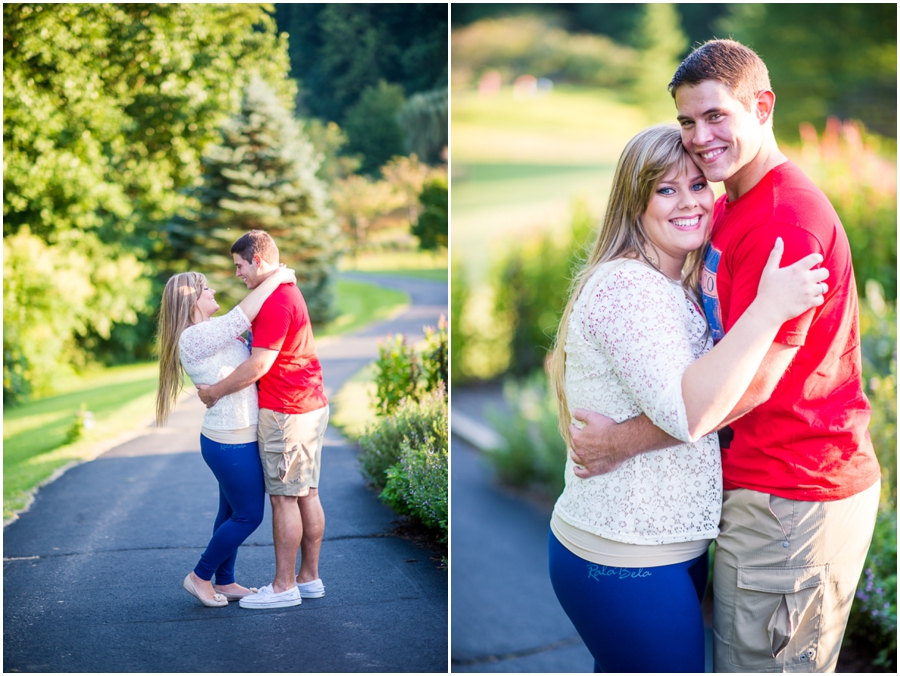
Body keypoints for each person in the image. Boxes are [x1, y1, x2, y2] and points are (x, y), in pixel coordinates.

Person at [569, 40, 882, 673]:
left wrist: (622, 441)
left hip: (795, 491)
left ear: (762, 106)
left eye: (717, 117)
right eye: (688, 121)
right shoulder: (731, 202)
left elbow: (761, 381)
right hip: (759, 489)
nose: (700, 137)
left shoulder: (784, 219)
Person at [547, 123, 828, 672]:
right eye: (666, 190)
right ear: (635, 201)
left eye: (698, 185)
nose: (689, 203)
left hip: (663, 552)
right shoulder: (630, 289)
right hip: (623, 557)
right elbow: (687, 412)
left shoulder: (676, 281)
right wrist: (768, 309)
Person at [196, 230, 330, 610]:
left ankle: (284, 586)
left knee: (285, 499)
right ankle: (308, 578)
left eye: (239, 265)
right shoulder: (282, 291)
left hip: (287, 411)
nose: (237, 273)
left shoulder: (274, 301)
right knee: (307, 494)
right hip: (310, 404)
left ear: (257, 260)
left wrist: (214, 391)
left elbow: (259, 364)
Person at [155, 264, 297, 607]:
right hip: (229, 440)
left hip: (237, 435)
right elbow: (243, 314)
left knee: (231, 512)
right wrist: (278, 277)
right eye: (206, 289)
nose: (213, 292)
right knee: (249, 515)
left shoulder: (211, 332)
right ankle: (200, 577)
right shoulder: (194, 335)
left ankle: (227, 580)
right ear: (191, 300)